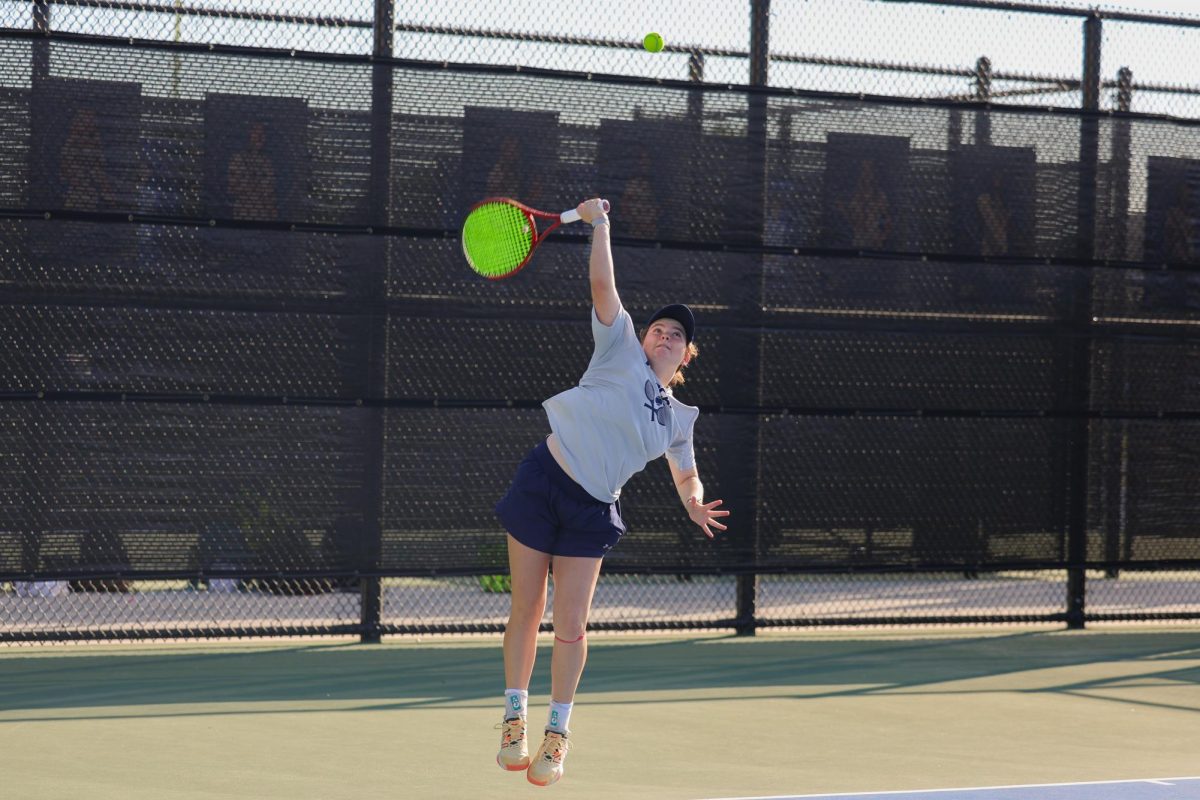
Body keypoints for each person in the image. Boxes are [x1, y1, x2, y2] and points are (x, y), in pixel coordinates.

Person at [492, 197, 730, 787]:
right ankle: (514, 718)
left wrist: (694, 499)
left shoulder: (680, 418)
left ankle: (557, 733)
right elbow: (604, 284)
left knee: (570, 625)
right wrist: (599, 227)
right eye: (659, 329)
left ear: (685, 356)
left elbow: (685, 472)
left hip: (592, 510)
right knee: (527, 608)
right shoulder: (618, 346)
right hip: (544, 481)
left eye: (676, 336)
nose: (664, 336)